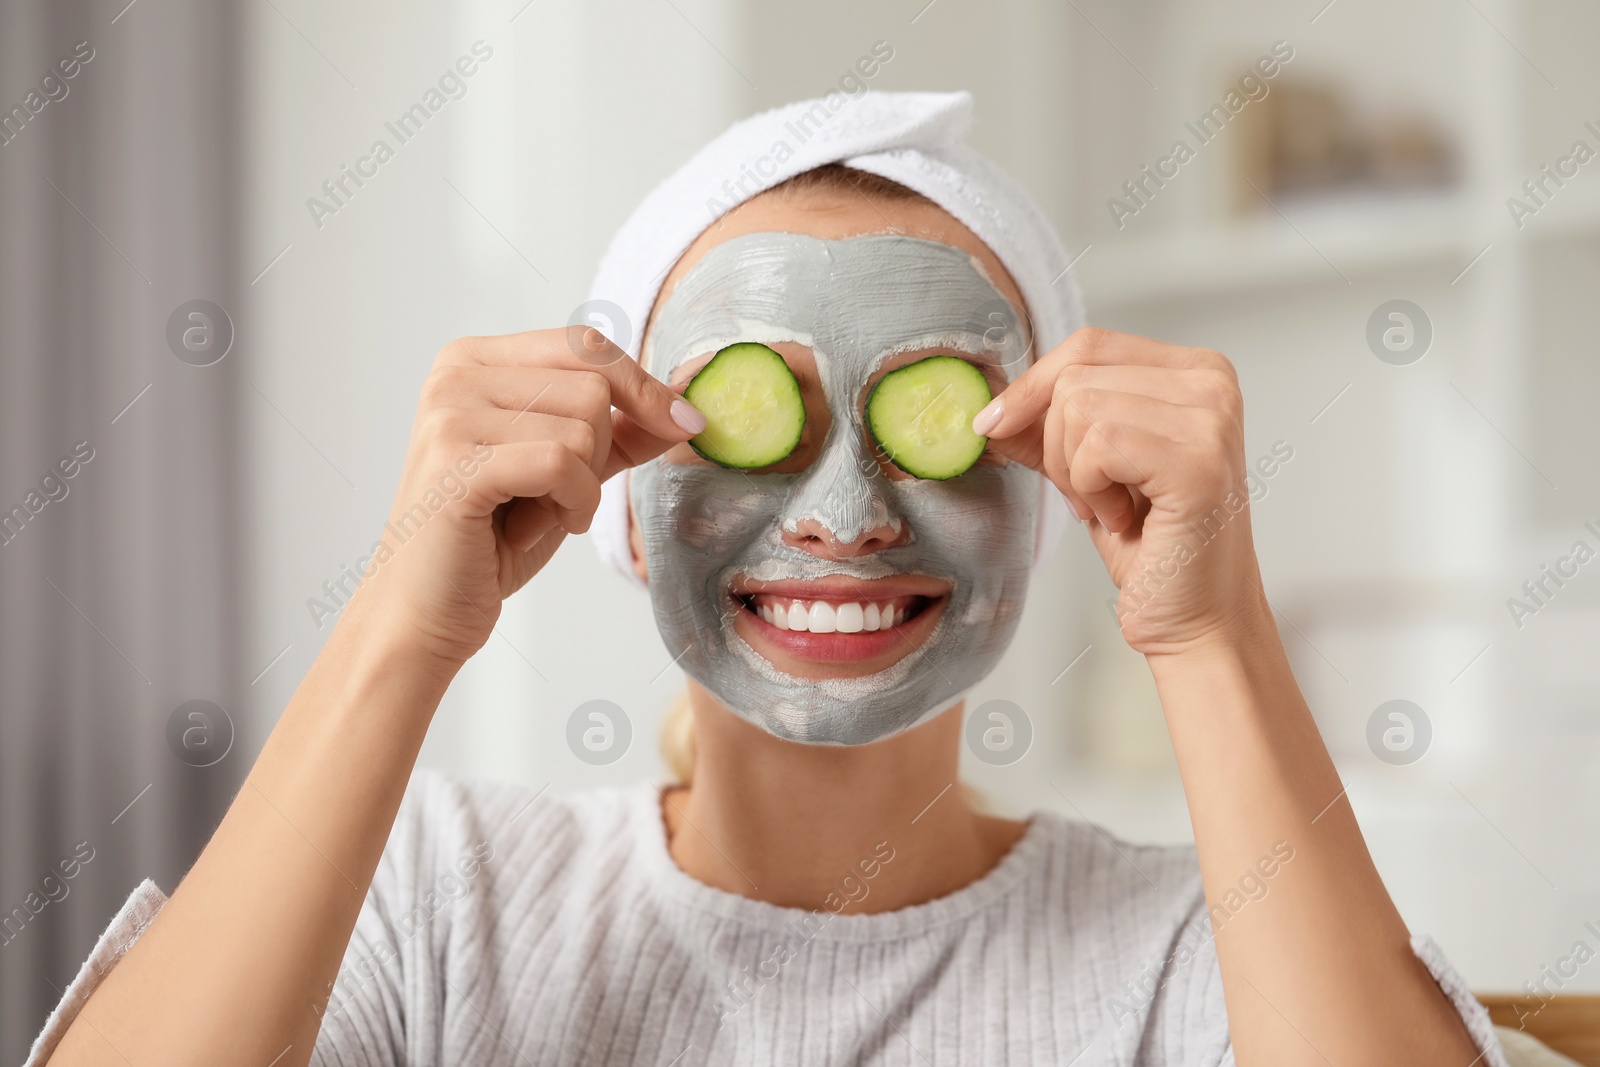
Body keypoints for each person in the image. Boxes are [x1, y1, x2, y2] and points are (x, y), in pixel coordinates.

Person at [30, 91, 1509, 1067]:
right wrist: (401, 627)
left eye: (931, 415)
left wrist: (1207, 632)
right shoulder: (438, 897)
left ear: (1050, 486)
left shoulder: (1195, 948)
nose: (851, 515)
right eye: (759, 416)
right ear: (618, 479)